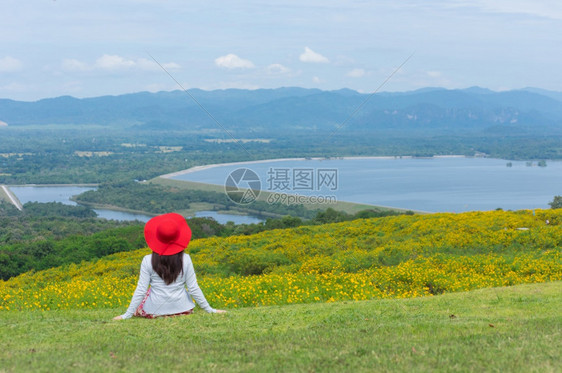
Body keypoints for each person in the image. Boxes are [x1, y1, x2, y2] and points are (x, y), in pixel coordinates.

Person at [113, 213, 225, 320]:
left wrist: (126, 315)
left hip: (155, 311)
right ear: (178, 237)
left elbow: (141, 290)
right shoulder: (186, 259)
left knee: (147, 293)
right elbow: (193, 288)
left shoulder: (147, 260)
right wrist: (210, 310)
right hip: (183, 310)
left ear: (157, 238)